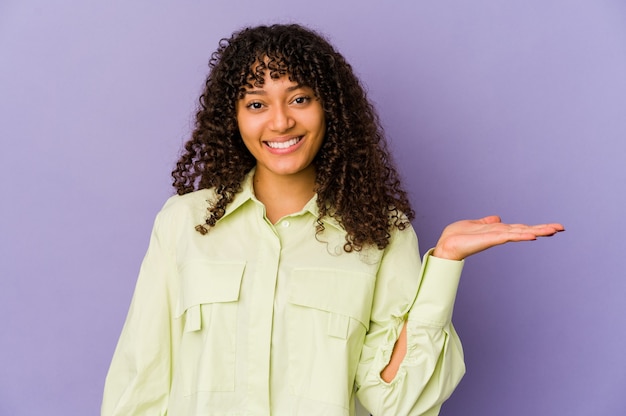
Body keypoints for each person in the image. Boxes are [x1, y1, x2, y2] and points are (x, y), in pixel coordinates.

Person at [101, 23, 563, 416]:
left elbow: (396, 400)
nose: (280, 122)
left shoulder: (381, 231)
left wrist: (444, 263)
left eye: (299, 99)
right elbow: (140, 382)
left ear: (331, 110)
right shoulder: (184, 223)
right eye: (257, 104)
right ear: (234, 118)